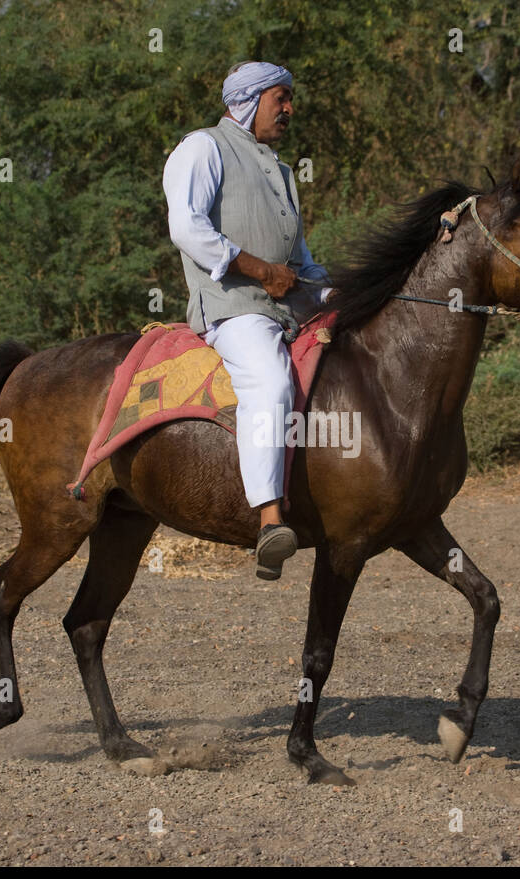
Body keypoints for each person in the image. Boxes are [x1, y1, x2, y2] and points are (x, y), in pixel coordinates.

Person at [162, 60, 333, 581]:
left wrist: (342, 292)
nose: (289, 108)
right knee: (270, 378)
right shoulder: (202, 148)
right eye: (281, 97)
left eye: (290, 98)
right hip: (232, 306)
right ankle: (269, 518)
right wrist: (257, 269)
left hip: (285, 302)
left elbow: (300, 263)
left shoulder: (279, 169)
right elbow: (186, 228)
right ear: (249, 100)